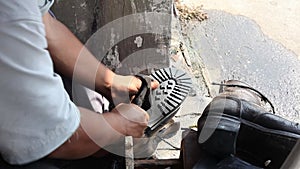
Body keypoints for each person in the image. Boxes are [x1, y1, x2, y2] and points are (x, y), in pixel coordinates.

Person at [0, 0, 159, 166]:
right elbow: (55, 137)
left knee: (81, 95)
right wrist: (120, 126)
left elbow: (45, 24)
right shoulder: (11, 15)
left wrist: (110, 82)